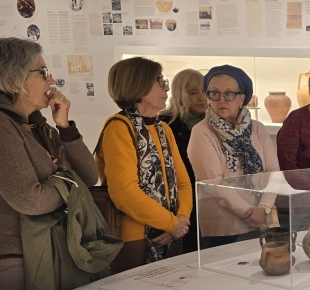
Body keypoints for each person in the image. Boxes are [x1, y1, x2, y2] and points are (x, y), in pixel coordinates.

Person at [0, 37, 99, 290]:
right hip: (13, 260)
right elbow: (31, 200)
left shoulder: (38, 126)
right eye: (42, 72)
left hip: (44, 249)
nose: (51, 80)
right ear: (13, 79)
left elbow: (89, 177)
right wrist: (67, 178)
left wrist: (65, 127)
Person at [97, 57, 192, 266]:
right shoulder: (118, 128)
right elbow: (125, 193)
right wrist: (171, 223)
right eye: (160, 81)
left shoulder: (163, 128)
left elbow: (183, 183)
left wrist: (180, 221)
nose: (166, 87)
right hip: (134, 238)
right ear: (138, 86)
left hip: (171, 233)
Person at [187, 65, 280, 249]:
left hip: (261, 221)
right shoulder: (202, 131)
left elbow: (273, 171)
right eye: (215, 93)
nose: (221, 100)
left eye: (229, 94)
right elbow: (214, 183)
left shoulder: (257, 128)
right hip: (223, 227)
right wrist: (250, 213)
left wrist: (264, 207)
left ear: (242, 98)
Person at [160, 68, 206, 253]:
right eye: (193, 93)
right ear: (180, 94)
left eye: (204, 91)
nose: (201, 98)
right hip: (180, 199)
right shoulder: (166, 123)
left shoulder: (214, 122)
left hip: (209, 196)